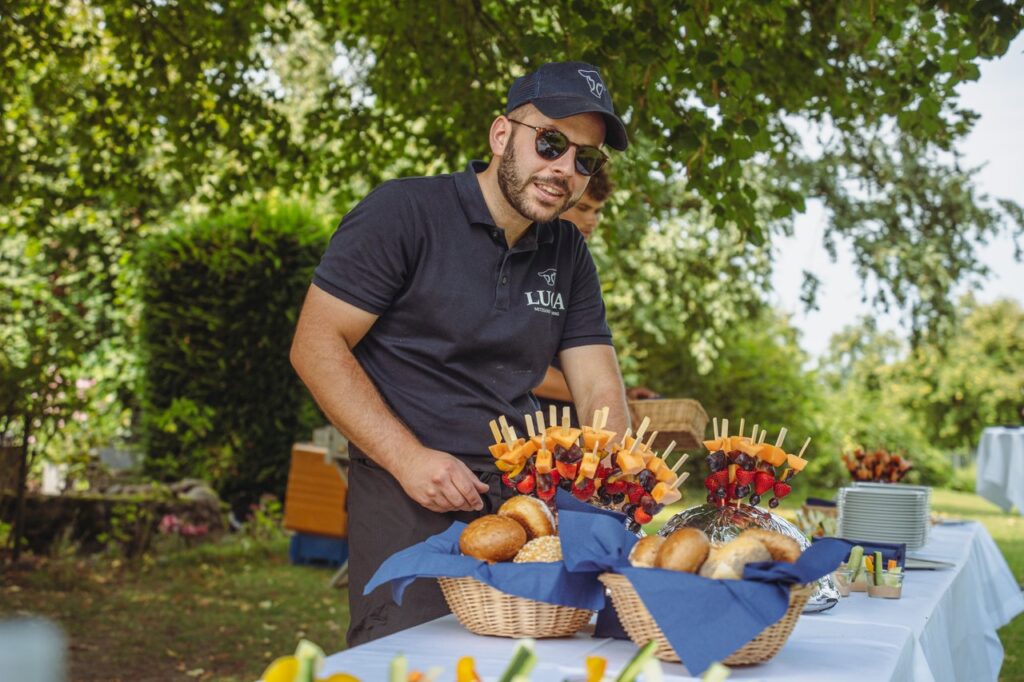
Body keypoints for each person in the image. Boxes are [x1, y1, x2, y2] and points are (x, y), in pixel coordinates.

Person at [289, 61, 632, 646]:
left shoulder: (569, 251)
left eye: (585, 159)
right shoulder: (403, 212)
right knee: (413, 662)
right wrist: (408, 460)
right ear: (501, 135)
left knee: (539, 661)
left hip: (527, 502)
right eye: (551, 143)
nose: (564, 169)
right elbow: (316, 345)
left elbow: (599, 388)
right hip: (408, 495)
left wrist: (606, 482)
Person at [533, 168, 658, 425]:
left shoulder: (575, 265)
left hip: (574, 430)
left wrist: (622, 397)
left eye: (598, 211)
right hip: (526, 431)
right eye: (583, 208)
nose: (592, 220)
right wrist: (608, 399)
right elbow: (519, 371)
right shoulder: (524, 259)